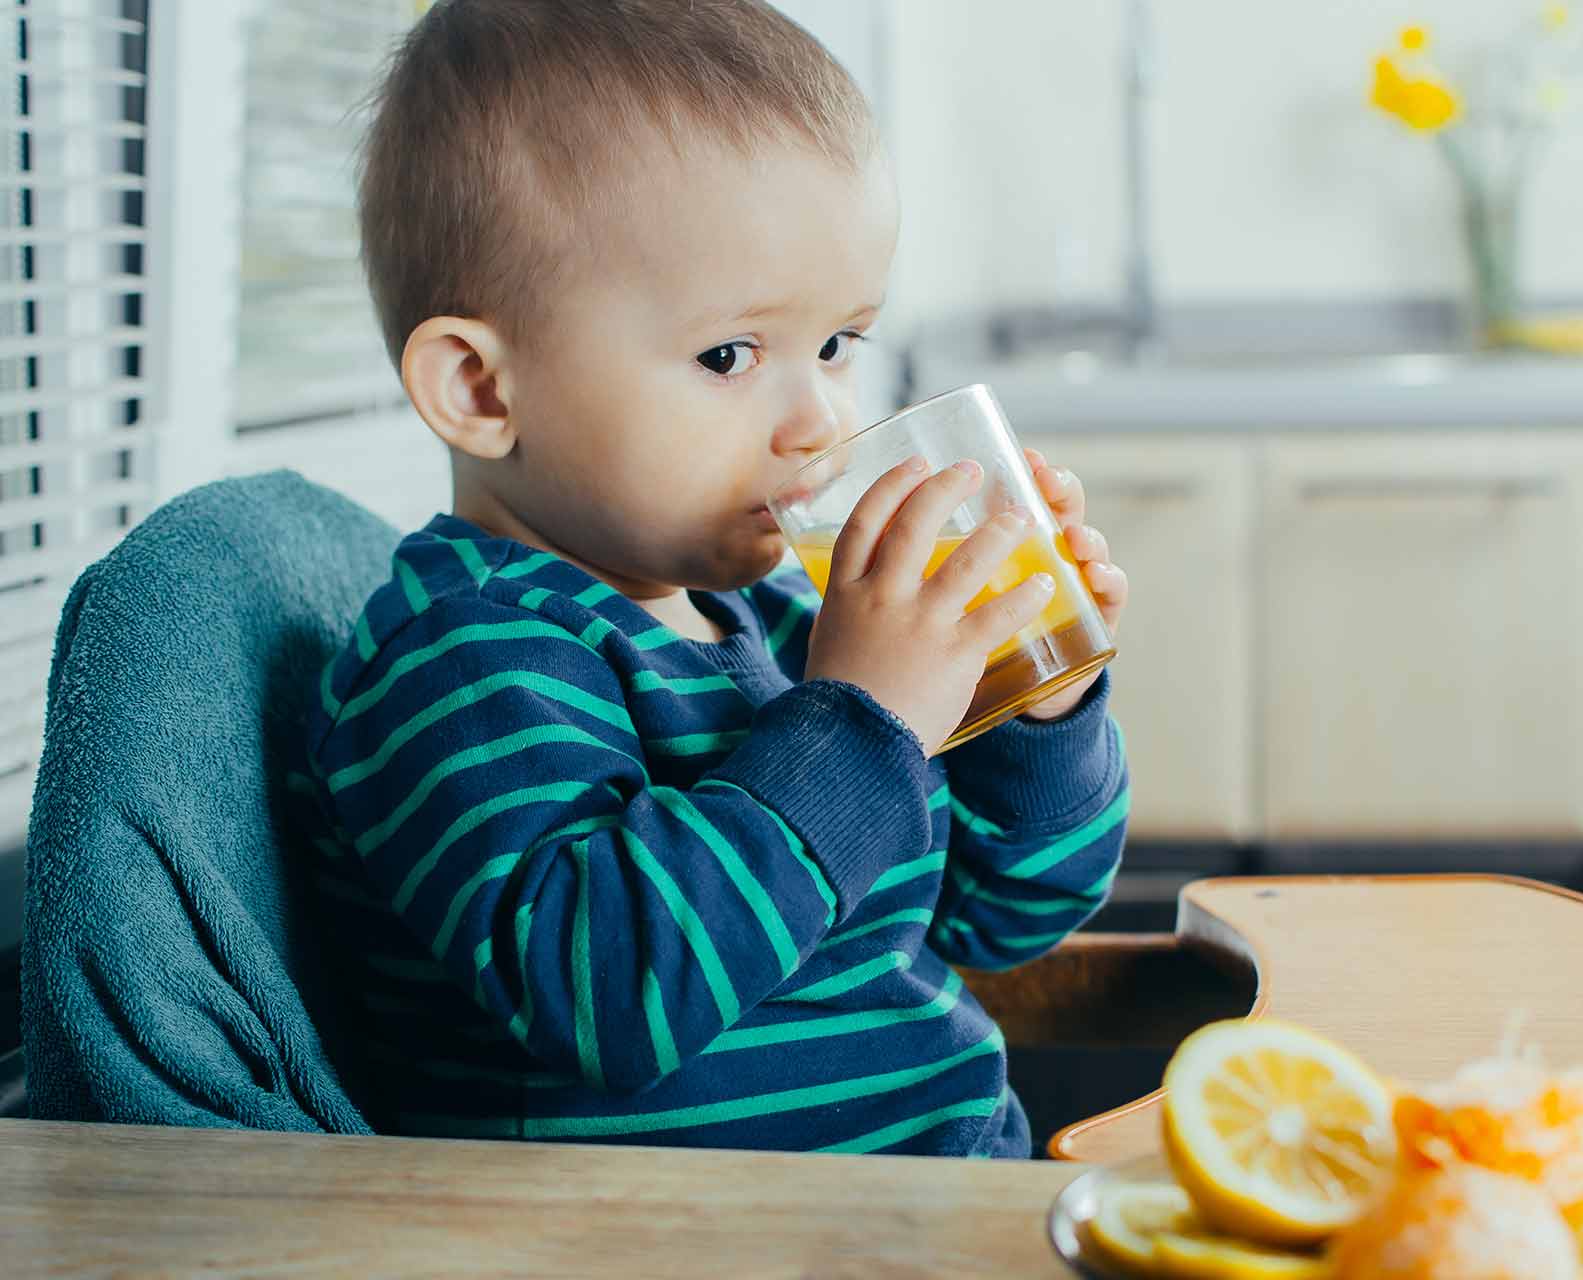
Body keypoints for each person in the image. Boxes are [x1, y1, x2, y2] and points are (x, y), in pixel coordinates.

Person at [299, 0, 1130, 1157]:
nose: (824, 422)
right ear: (484, 391)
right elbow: (609, 996)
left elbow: (1011, 912)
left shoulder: (798, 624)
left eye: (838, 343)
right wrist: (868, 718)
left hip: (935, 1212)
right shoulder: (465, 662)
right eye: (731, 355)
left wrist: (1030, 704)